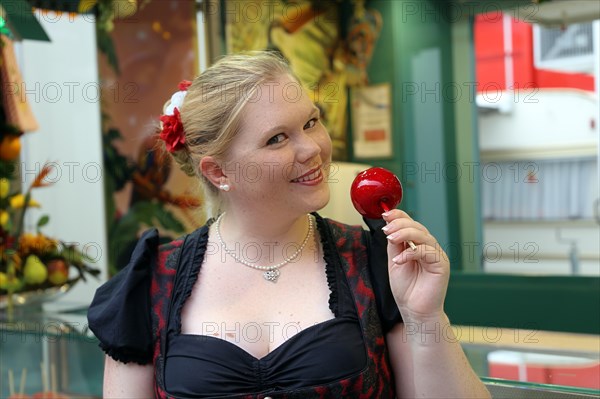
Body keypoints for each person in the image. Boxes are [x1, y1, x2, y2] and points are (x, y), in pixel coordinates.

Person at [88, 51, 491, 399]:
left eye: (311, 122)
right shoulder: (151, 284)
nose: (312, 149)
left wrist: (426, 318)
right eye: (277, 138)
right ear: (217, 171)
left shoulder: (376, 262)